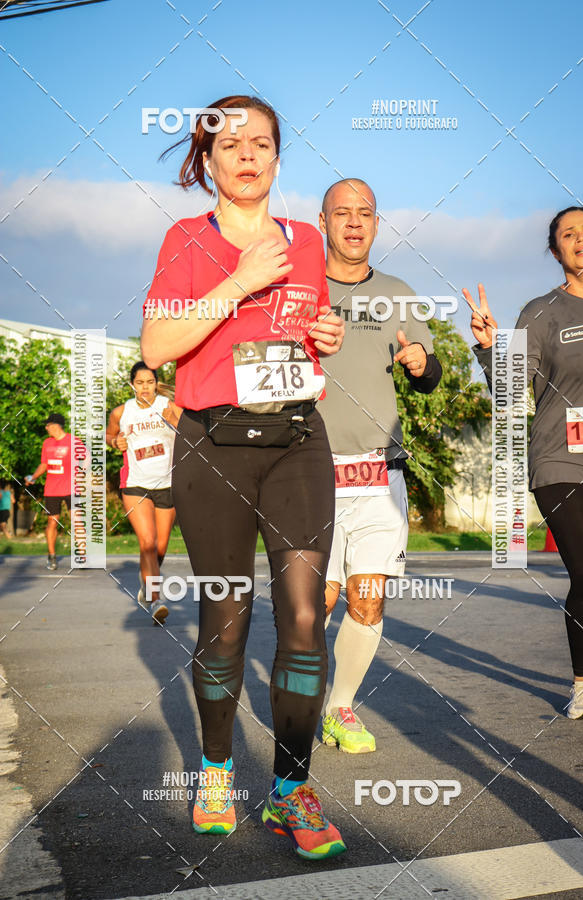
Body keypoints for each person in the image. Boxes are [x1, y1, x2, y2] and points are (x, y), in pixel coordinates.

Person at [141, 95, 347, 858]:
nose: (249, 155)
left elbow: (305, 334)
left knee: (301, 618)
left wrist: (325, 332)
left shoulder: (305, 241)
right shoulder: (186, 238)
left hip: (297, 439)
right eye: (232, 146)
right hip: (212, 445)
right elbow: (158, 342)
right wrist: (238, 280)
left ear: (278, 155)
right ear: (209, 160)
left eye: (263, 142)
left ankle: (291, 789)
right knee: (225, 622)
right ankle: (219, 771)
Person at [317, 179, 443, 752]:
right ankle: (297, 704)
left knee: (367, 598)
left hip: (378, 475)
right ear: (323, 222)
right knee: (314, 604)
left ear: (377, 222)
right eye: (341, 212)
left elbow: (431, 370)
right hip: (309, 472)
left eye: (365, 212)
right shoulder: (296, 289)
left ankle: (340, 709)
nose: (353, 221)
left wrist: (422, 362)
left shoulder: (397, 293)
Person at [464, 206, 583, 720]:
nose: (580, 239)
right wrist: (487, 347)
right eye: (568, 235)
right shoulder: (542, 313)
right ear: (555, 250)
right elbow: (508, 387)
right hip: (561, 460)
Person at [106, 361, 179, 625]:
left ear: (156, 383)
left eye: (150, 382)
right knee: (147, 543)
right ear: (132, 385)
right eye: (140, 383)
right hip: (135, 483)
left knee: (159, 548)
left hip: (168, 484)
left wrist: (177, 420)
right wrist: (115, 441)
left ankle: (146, 580)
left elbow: (189, 434)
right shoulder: (121, 412)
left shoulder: (169, 407)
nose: (145, 387)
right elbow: (109, 435)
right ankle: (156, 600)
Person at [26, 413, 80, 570]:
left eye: (48, 425)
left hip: (72, 487)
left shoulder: (73, 440)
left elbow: (87, 457)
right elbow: (44, 464)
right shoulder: (47, 443)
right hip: (52, 489)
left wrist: (82, 470)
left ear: (56, 425)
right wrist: (33, 477)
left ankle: (81, 554)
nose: (46, 427)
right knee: (52, 521)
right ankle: (52, 556)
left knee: (76, 519)